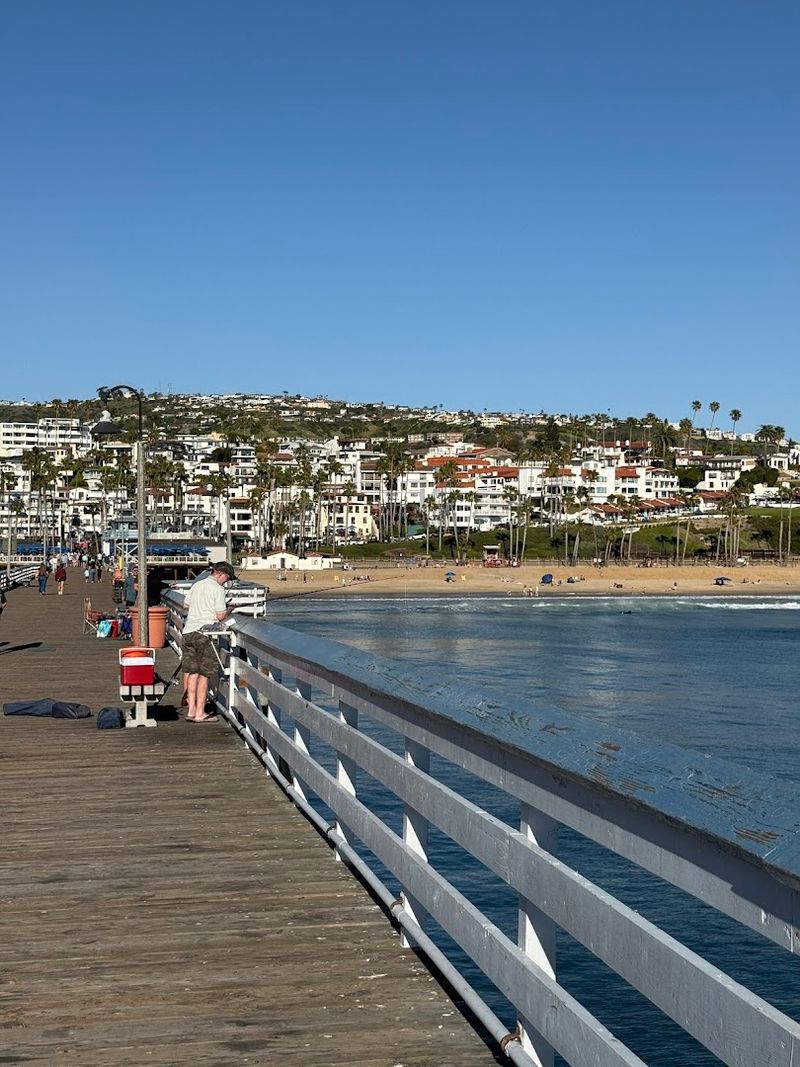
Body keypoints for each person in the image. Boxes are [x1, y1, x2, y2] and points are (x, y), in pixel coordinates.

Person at [181, 561, 235, 723]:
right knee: (204, 675)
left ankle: (191, 711)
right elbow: (220, 616)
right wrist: (229, 610)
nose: (226, 581)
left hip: (188, 632)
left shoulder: (197, 585)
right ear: (219, 574)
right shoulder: (218, 589)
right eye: (226, 577)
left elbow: (186, 605)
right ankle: (200, 713)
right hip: (205, 635)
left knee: (192, 672)